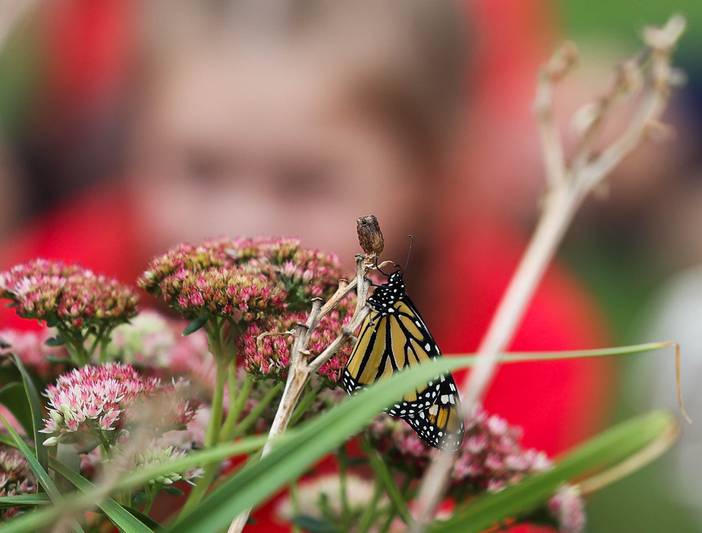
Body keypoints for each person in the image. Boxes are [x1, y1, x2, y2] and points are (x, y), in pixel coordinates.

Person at [0, 0, 611, 527]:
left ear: (431, 173)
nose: (237, 229)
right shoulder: (54, 286)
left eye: (304, 182)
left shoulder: (514, 337)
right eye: (199, 167)